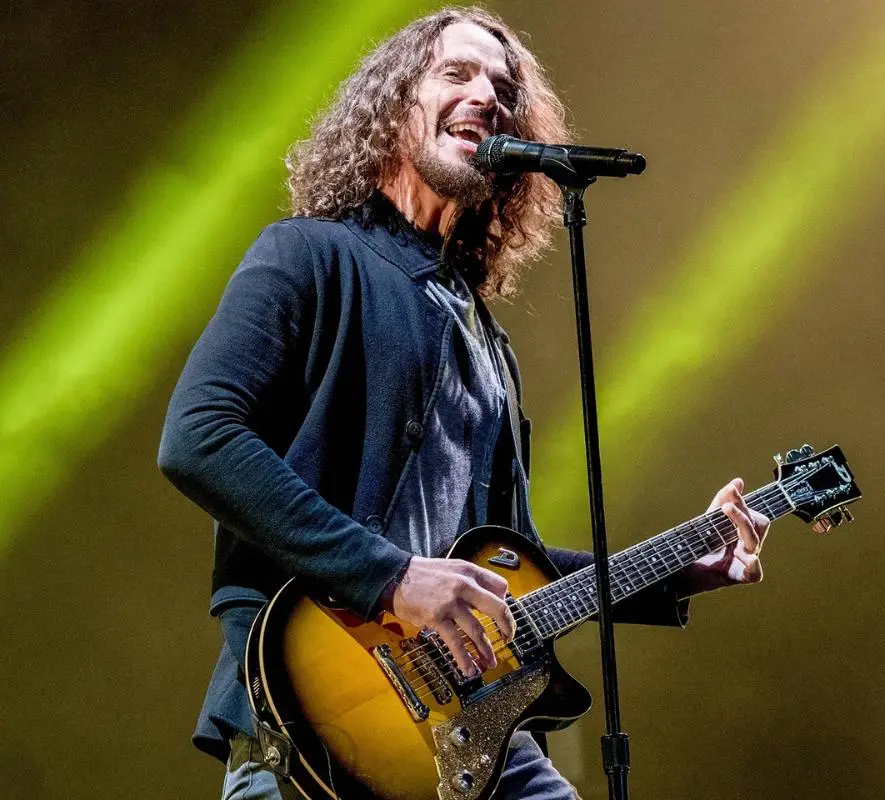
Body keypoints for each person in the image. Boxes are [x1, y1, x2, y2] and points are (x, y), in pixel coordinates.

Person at [158, 7, 770, 799]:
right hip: (321, 727)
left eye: (505, 86)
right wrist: (391, 577)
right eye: (458, 73)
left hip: (476, 736)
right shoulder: (310, 254)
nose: (488, 95)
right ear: (391, 105)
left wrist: (683, 567)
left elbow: (511, 573)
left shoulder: (486, 341)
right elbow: (199, 437)